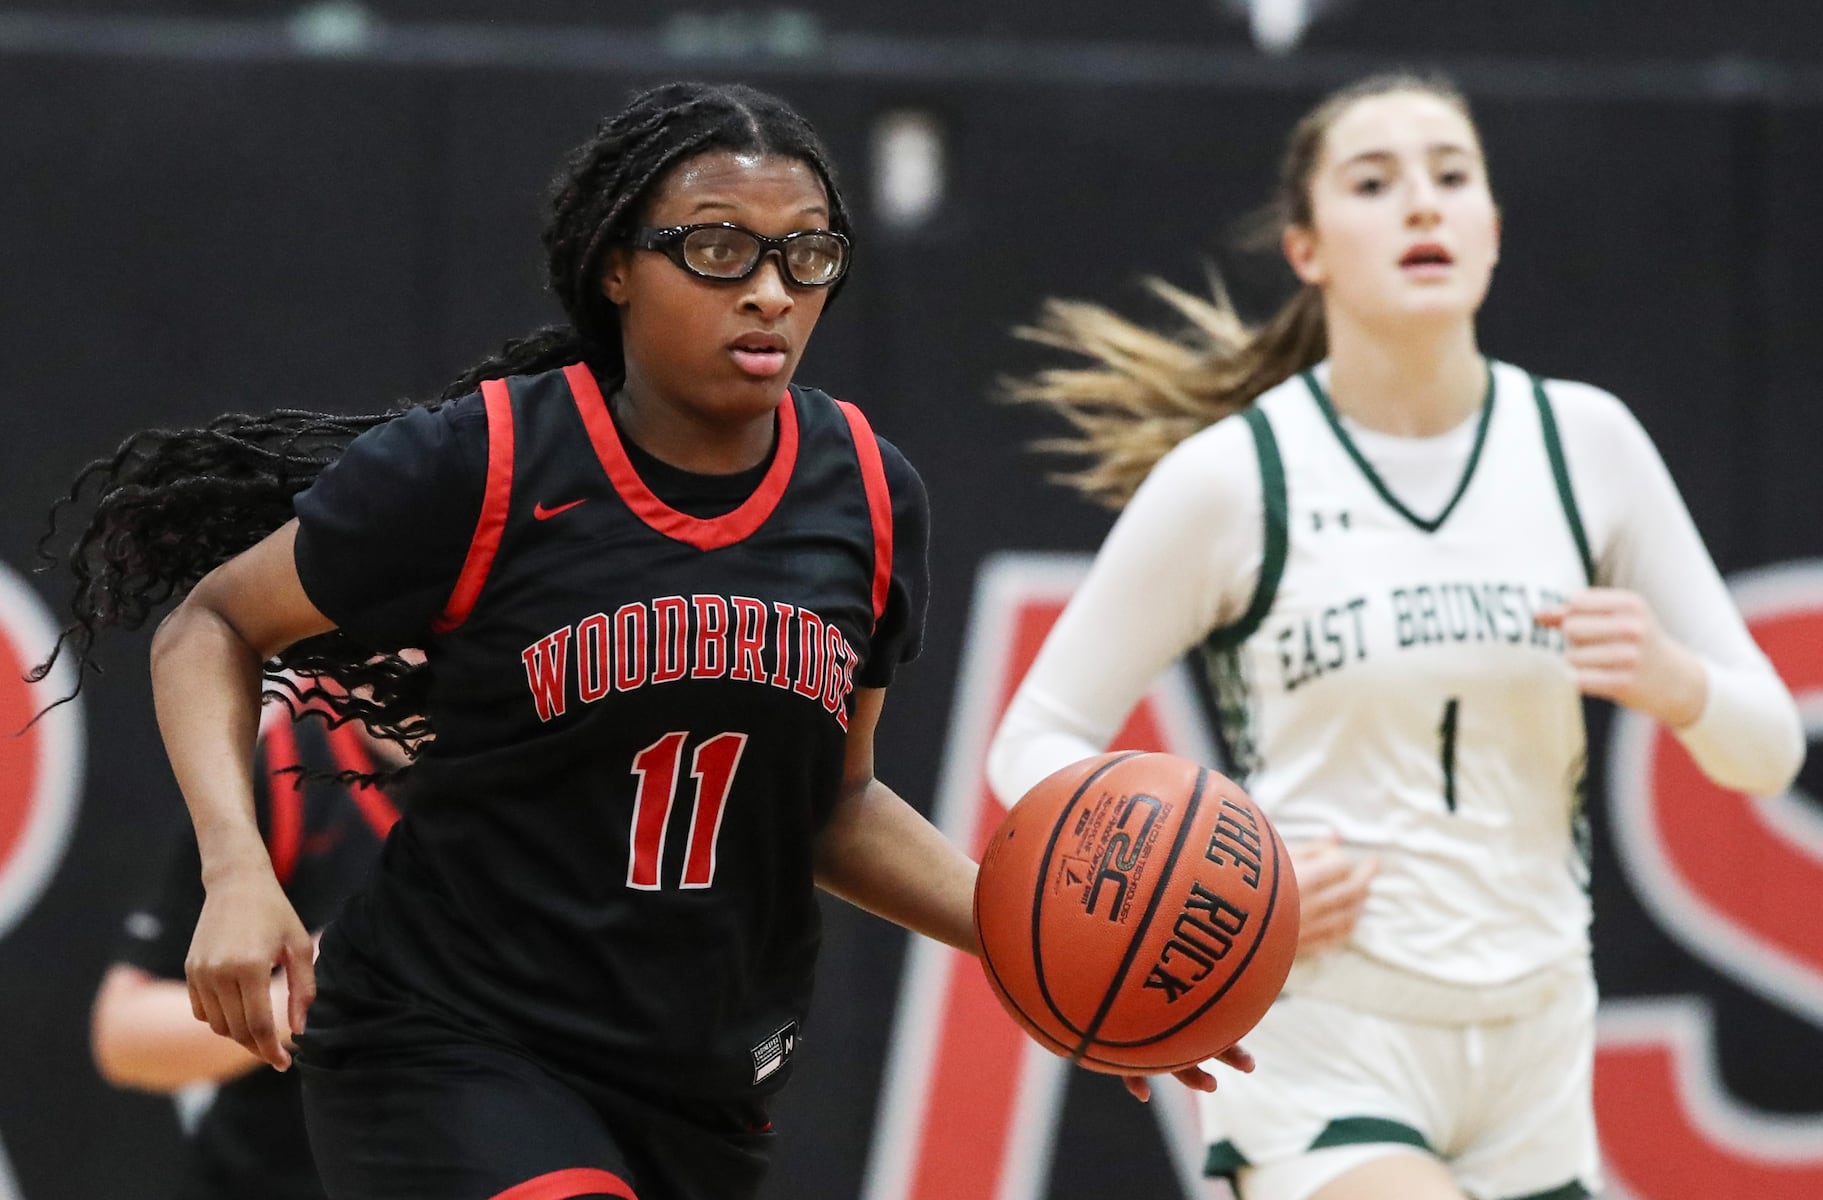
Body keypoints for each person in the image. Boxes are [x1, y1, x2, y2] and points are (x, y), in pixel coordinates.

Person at [38, 81, 1238, 1200]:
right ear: (617, 265)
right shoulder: (490, 460)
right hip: (450, 1036)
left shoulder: (868, 493)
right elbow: (209, 623)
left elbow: (831, 802)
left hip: (698, 1075)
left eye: (805, 253)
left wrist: (1053, 955)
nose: (770, 290)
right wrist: (239, 871)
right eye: (719, 249)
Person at [987, 72, 1804, 1200]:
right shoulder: (1238, 476)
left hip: (1537, 1040)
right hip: (1322, 1027)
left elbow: (1766, 748)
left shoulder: (1585, 445)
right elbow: (1032, 738)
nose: (1421, 204)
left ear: (1491, 231)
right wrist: (1232, 870)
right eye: (1373, 183)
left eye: (1450, 176)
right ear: (1307, 248)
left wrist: (1678, 685)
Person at [91, 702, 398, 1200]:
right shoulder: (282, 764)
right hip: (273, 1174)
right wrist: (305, 995)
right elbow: (123, 1034)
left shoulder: (536, 764)